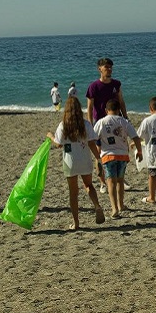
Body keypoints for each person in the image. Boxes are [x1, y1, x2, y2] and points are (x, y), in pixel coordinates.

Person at [46, 97, 106, 230]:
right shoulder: (86, 124)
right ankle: (97, 206)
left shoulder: (63, 125)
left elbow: (58, 144)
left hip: (70, 162)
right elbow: (91, 143)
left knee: (73, 193)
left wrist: (50, 136)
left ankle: (76, 223)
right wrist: (98, 158)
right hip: (84, 160)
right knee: (89, 185)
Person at [86, 58, 131, 193]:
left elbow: (121, 101)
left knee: (120, 150)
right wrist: (90, 125)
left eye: (111, 67)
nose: (109, 69)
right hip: (100, 123)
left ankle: (120, 178)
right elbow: (89, 107)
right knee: (99, 153)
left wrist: (126, 117)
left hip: (116, 122)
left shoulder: (116, 84)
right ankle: (102, 182)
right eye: (106, 67)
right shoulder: (93, 86)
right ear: (100, 69)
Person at [93, 99, 142, 219]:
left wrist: (96, 154)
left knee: (111, 182)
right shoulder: (124, 121)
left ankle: (114, 208)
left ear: (106, 110)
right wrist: (139, 151)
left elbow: (94, 137)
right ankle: (121, 205)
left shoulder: (101, 122)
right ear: (119, 110)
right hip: (122, 155)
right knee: (120, 180)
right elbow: (135, 137)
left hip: (108, 155)